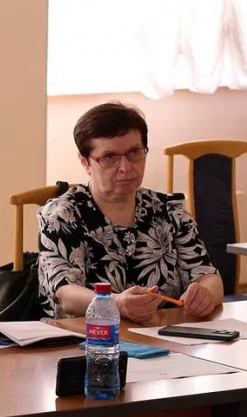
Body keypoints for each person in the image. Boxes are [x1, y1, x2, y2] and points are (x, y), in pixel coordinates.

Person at [38, 100, 222, 322]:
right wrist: (116, 304)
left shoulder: (168, 209)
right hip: (89, 335)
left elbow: (208, 275)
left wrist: (205, 293)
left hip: (163, 334)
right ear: (85, 162)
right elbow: (65, 294)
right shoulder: (63, 214)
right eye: (109, 158)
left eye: (134, 152)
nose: (125, 167)